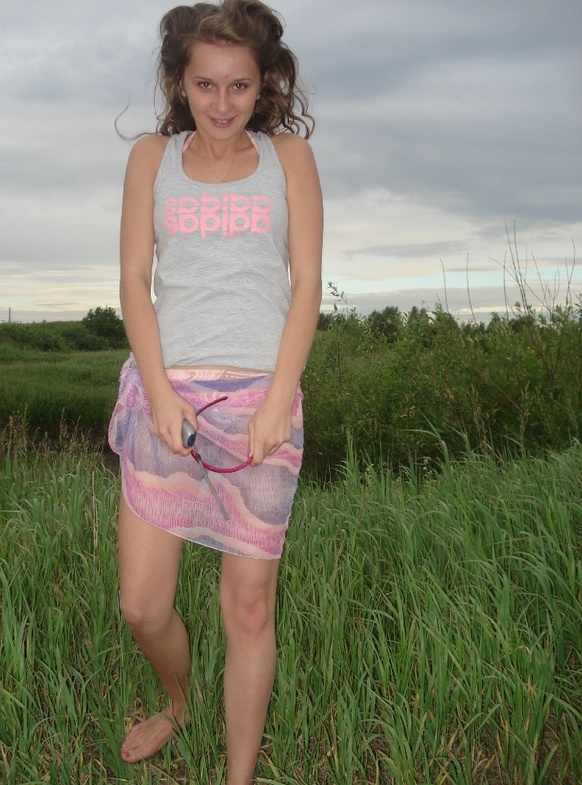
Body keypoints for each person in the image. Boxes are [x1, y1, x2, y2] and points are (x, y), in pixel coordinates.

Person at [107, 1, 323, 782]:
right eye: (206, 84)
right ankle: (181, 701)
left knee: (250, 606)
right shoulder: (152, 159)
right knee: (142, 604)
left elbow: (307, 287)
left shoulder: (288, 156)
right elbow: (134, 280)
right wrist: (160, 392)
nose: (223, 102)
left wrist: (279, 400)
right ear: (180, 83)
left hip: (263, 401)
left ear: (263, 85)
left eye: (239, 85)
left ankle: (237, 776)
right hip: (165, 399)